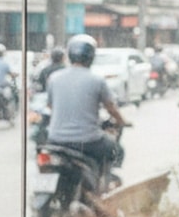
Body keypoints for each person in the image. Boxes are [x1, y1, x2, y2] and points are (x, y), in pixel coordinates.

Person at [45, 35, 130, 183]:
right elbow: (111, 108)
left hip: (55, 140)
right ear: (91, 57)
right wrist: (122, 121)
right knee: (117, 151)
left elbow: (51, 106)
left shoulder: (54, 78)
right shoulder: (97, 80)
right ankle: (103, 183)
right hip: (87, 142)